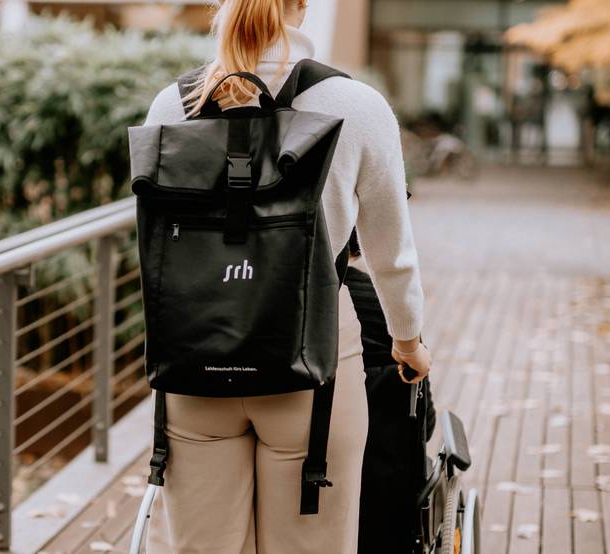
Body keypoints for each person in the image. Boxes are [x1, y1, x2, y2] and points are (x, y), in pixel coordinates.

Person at [141, 1, 430, 551]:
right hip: (312, 365)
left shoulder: (174, 104)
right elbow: (391, 254)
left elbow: (158, 246)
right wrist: (407, 341)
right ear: (301, 6)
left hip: (196, 363)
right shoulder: (356, 105)